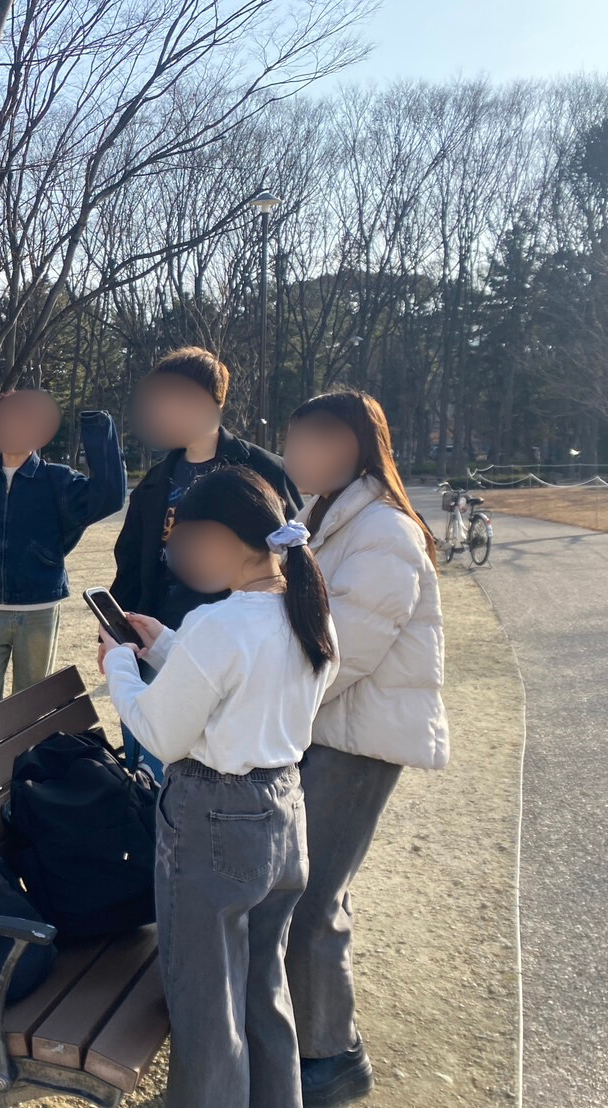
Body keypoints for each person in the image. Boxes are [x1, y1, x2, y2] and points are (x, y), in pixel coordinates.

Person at [101, 465, 337, 1108]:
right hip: (283, 809)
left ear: (225, 538)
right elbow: (245, 688)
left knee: (207, 1003)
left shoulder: (221, 623)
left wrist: (118, 663)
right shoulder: (308, 610)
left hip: (213, 818)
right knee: (263, 988)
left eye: (189, 538)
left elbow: (161, 732)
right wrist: (164, 647)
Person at [280, 389, 448, 1106]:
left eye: (308, 441)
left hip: (355, 741)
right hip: (326, 730)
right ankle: (309, 1040)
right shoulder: (321, 515)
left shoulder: (382, 529)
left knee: (313, 898)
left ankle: (331, 1057)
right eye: (290, 439)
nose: (292, 454)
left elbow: (341, 653)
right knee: (301, 891)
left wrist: (263, 704)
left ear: (350, 447)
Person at [111, 347, 301, 780]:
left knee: (200, 771)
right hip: (154, 640)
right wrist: (119, 628)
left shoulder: (262, 471)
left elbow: (294, 555)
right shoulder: (156, 481)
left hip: (228, 650)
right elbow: (131, 562)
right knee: (146, 774)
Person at [0, 388, 126, 720]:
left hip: (38, 611)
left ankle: (26, 755)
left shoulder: (58, 481)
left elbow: (109, 496)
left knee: (31, 706)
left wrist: (97, 427)